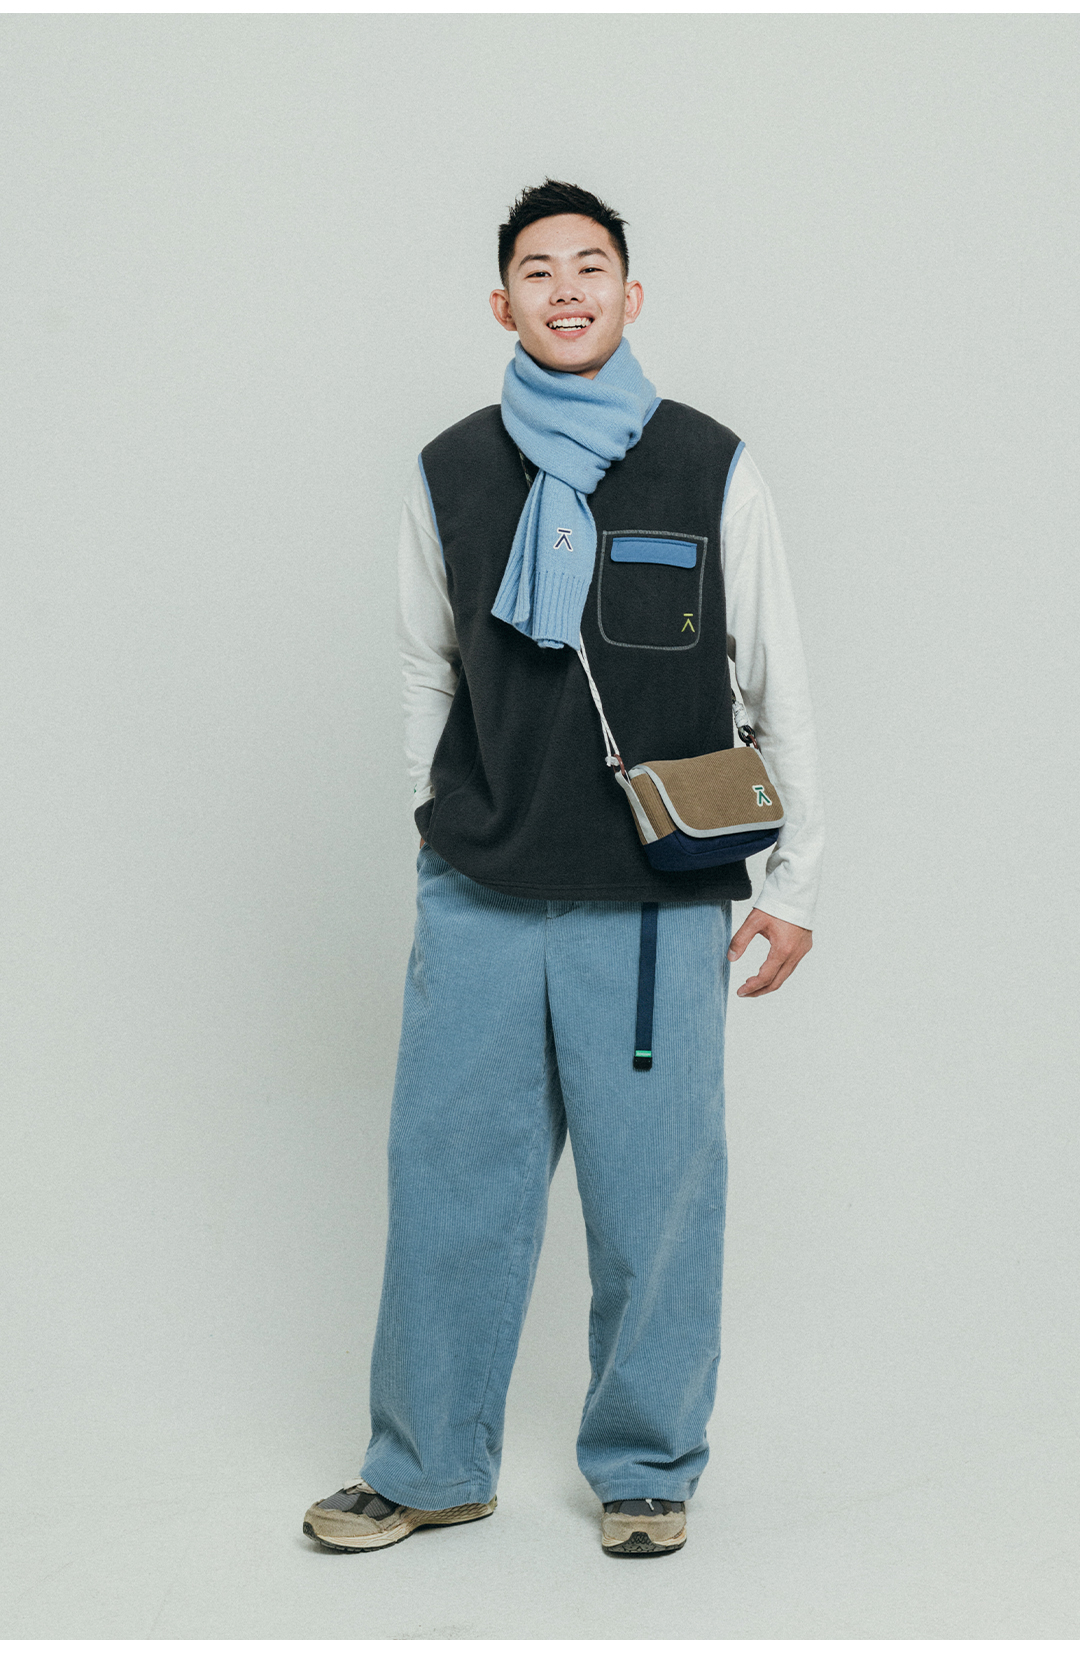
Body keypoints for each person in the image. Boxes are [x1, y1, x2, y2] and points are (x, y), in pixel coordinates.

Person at [303, 179, 824, 1558]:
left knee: (656, 1202)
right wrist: (439, 811)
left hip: (652, 908)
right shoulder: (448, 471)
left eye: (592, 267)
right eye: (539, 271)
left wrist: (794, 885)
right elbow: (424, 666)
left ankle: (647, 1468)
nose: (568, 289)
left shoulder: (712, 465)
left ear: (630, 296)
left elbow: (778, 678)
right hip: (481, 894)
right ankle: (427, 1467)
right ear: (503, 304)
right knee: (447, 1190)